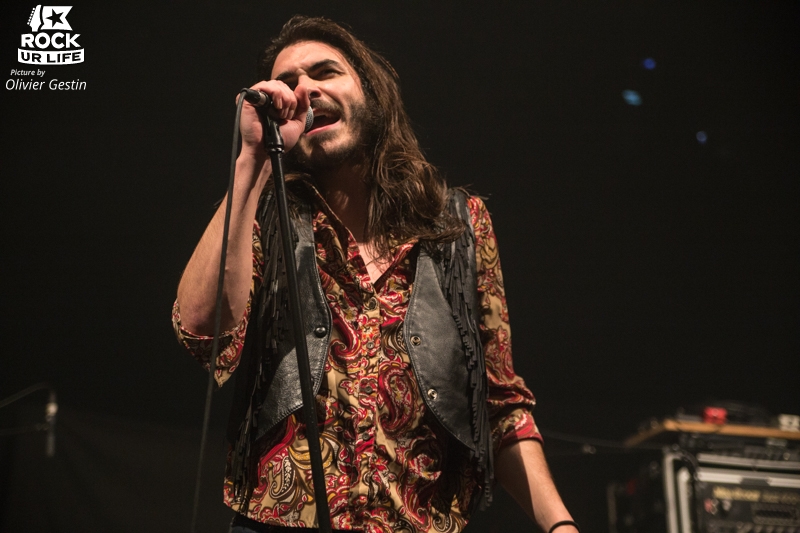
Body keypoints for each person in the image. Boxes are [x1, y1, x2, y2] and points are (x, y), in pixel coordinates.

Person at [173, 15, 578, 533]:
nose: (305, 90)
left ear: (371, 92)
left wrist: (561, 526)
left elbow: (498, 405)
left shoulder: (458, 227)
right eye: (289, 83)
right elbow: (201, 333)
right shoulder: (266, 212)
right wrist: (252, 160)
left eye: (325, 72)